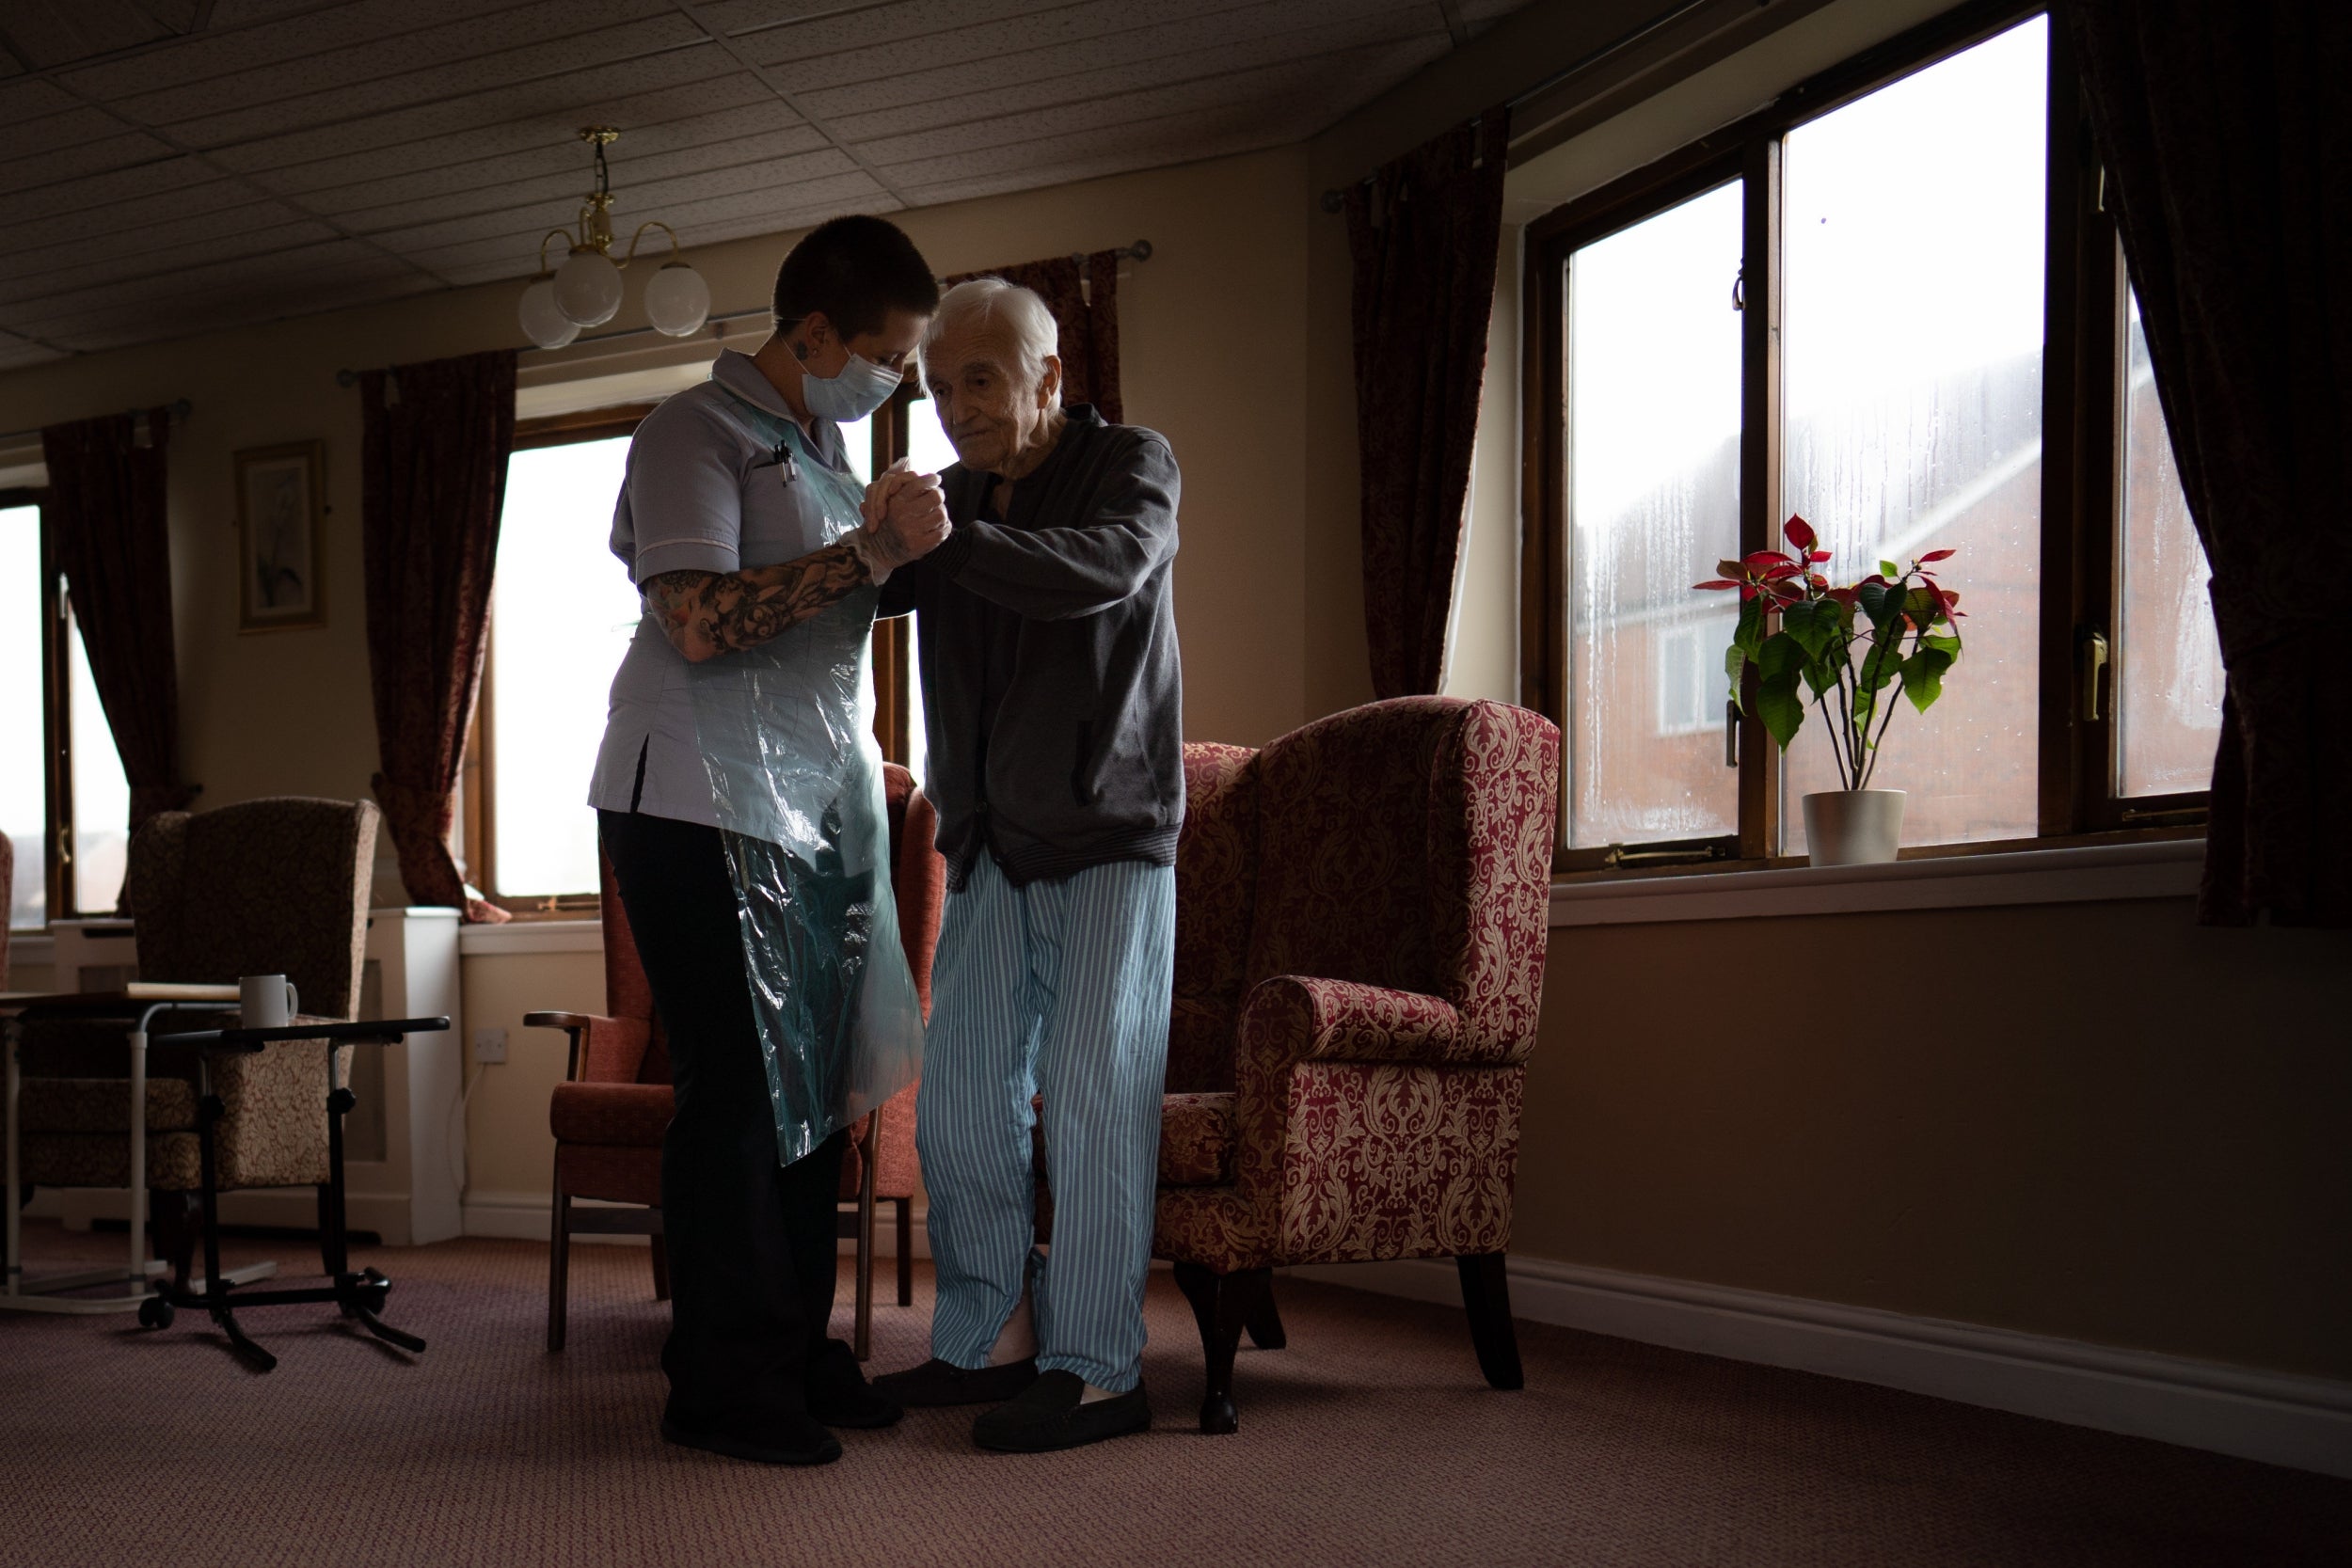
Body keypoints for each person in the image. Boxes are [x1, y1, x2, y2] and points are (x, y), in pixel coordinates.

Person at [585, 214, 949, 1468]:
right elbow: (694, 618)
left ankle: (789, 1345)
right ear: (811, 333)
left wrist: (899, 555)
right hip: (689, 798)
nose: (895, 382)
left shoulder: (823, 445)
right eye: (887, 357)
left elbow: (832, 602)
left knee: (809, 1094)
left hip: (803, 807)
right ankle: (721, 1380)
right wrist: (869, 552)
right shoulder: (692, 430)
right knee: (737, 1090)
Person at [870, 277, 1183, 1453]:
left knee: (1098, 1101)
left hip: (1111, 831)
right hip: (991, 839)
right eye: (939, 386)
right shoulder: (946, 498)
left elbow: (1103, 567)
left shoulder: (1131, 465)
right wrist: (870, 532)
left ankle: (1100, 1367)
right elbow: (873, 583)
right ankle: (989, 1334)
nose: (955, 408)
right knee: (955, 1106)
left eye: (980, 380)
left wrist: (948, 543)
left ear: (1048, 375)